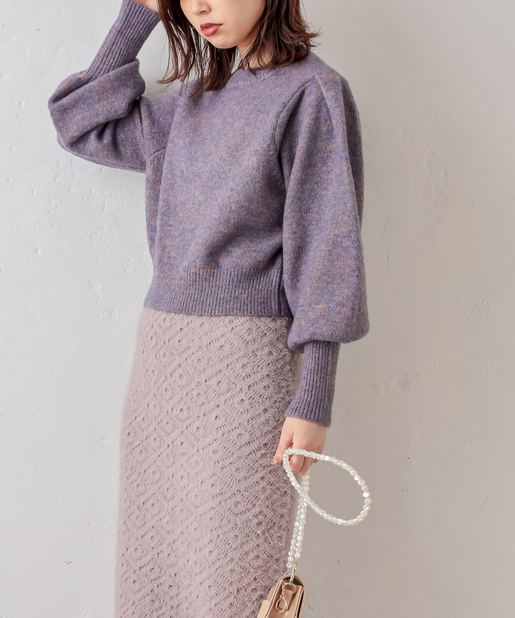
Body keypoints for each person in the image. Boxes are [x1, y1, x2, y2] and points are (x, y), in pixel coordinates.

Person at [47, 0, 370, 615]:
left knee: (231, 585)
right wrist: (140, 13)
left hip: (246, 371)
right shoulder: (190, 105)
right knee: (152, 582)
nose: (198, 6)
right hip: (161, 370)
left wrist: (314, 393)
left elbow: (326, 254)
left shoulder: (312, 94)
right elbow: (77, 122)